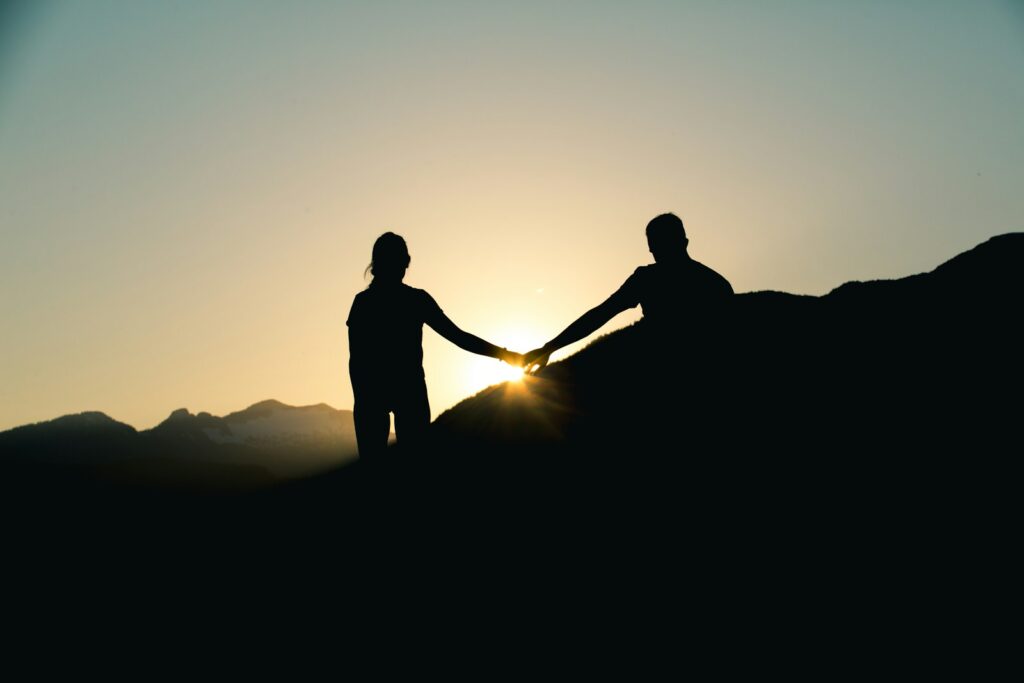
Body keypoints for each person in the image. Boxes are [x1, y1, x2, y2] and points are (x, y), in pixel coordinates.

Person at [347, 232, 524, 458]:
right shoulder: (414, 300)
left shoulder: (364, 303)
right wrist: (506, 355)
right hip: (406, 393)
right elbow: (458, 337)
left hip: (374, 396)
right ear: (403, 263)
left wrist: (365, 403)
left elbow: (356, 363)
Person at [523, 213, 733, 371]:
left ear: (682, 243)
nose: (656, 253)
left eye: (658, 246)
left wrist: (548, 348)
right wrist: (548, 348)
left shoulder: (648, 279)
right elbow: (600, 314)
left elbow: (601, 314)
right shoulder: (716, 283)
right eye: (655, 248)